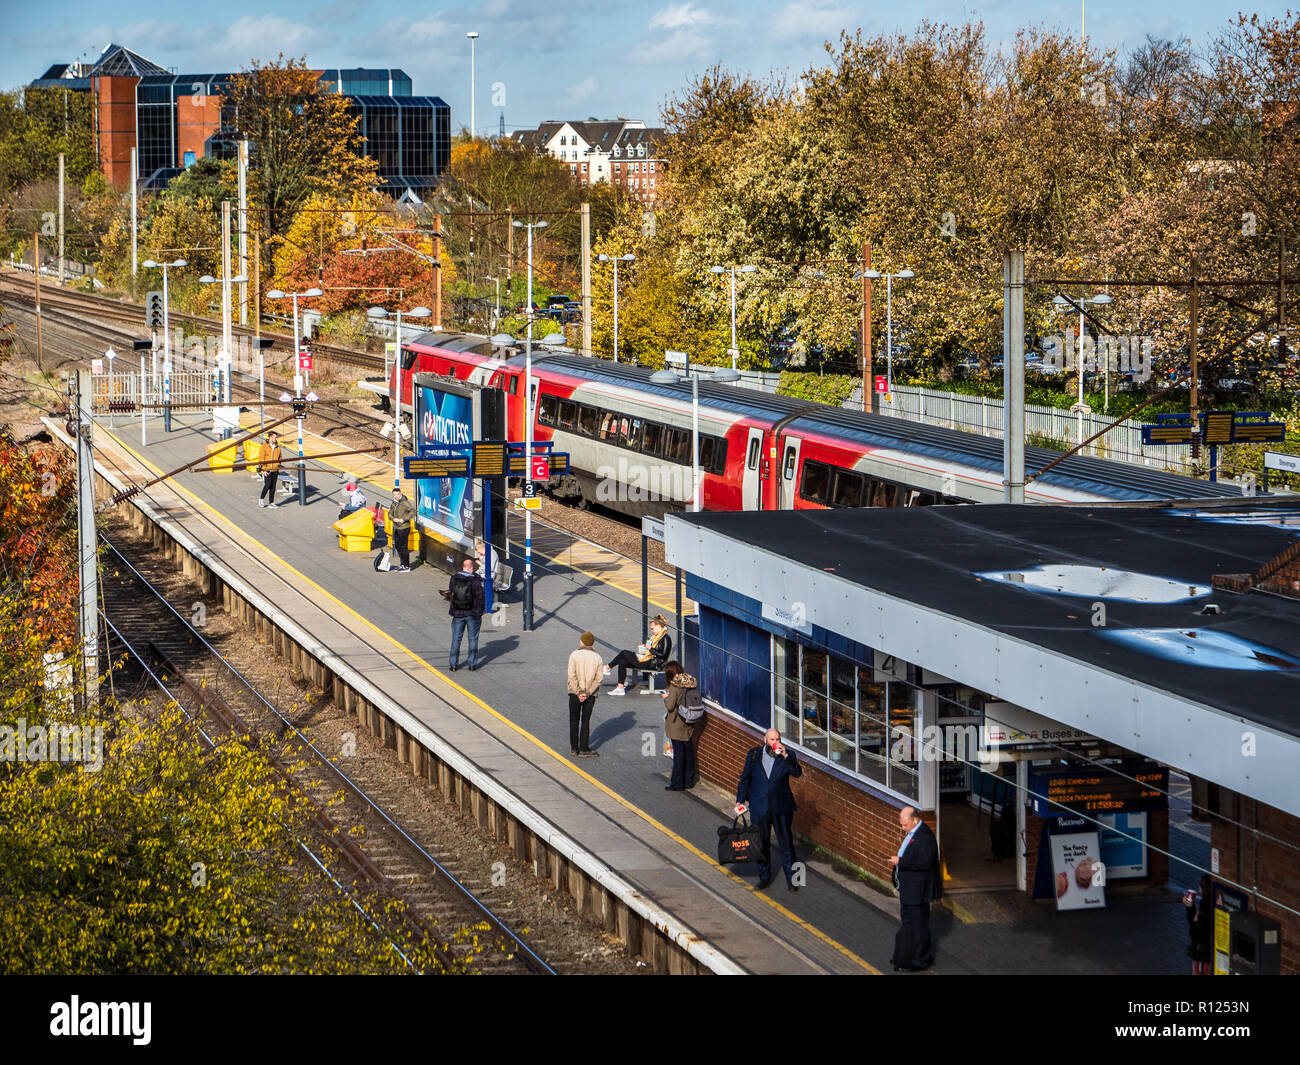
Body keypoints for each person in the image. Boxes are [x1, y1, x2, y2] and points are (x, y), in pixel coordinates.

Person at [734, 728, 803, 892]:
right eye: (772, 739)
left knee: (786, 844)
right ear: (764, 739)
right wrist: (739, 800)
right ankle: (764, 878)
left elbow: (797, 773)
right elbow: (745, 779)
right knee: (761, 844)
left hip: (781, 807)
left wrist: (786, 757)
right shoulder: (753, 755)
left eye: (778, 739)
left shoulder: (788, 755)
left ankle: (793, 880)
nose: (775, 742)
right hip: (759, 807)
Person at [889, 805, 940, 971]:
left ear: (915, 819)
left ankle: (920, 960)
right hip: (909, 890)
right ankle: (907, 955)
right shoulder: (914, 833)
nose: (902, 828)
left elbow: (925, 863)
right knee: (910, 924)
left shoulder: (924, 837)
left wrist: (900, 862)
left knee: (918, 926)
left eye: (905, 825)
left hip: (917, 892)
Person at [605, 614, 670, 695]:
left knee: (624, 653)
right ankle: (620, 688)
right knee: (622, 661)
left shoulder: (666, 638)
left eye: (652, 629)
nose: (652, 631)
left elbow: (663, 655)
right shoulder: (656, 637)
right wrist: (645, 647)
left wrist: (650, 649)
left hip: (654, 664)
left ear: (659, 626)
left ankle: (608, 667)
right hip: (649, 660)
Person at [661, 661, 699, 791]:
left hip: (677, 724)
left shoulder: (674, 687)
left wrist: (665, 697)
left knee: (679, 755)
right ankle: (689, 781)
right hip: (689, 722)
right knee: (688, 753)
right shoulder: (690, 683)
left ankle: (677, 783)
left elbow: (670, 706)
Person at [566, 631, 603, 757]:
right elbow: (598, 679)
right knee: (585, 721)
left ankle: (574, 748)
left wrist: (578, 692)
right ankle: (584, 748)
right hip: (590, 695)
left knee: (574, 720)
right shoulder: (598, 658)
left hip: (574, 694)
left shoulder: (574, 655)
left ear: (582, 642)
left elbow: (571, 675)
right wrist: (587, 693)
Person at [446, 558, 485, 671]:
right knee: (473, 639)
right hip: (473, 615)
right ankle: (472, 665)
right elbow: (480, 597)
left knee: (456, 639)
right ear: (471, 568)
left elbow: (451, 593)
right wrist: (480, 611)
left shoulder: (454, 578)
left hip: (458, 614)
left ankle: (453, 664)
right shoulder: (475, 580)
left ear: (463, 567)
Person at [1184, 873, 1214, 975]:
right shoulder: (1204, 904)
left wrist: (1195, 921)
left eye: (1200, 885)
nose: (1198, 888)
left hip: (1203, 954)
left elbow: (1196, 932)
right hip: (1201, 953)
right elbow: (1193, 922)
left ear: (1203, 888)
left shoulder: (1208, 908)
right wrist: (1190, 907)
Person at [388, 487, 416, 572]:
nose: (396, 496)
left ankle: (407, 566)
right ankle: (402, 564)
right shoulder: (394, 502)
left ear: (400, 493)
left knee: (404, 547)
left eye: (397, 494)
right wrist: (393, 518)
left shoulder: (405, 502)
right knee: (397, 545)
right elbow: (390, 513)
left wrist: (403, 519)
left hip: (404, 527)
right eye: (394, 495)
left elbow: (413, 512)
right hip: (397, 527)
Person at [257, 432, 282, 508]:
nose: (276, 439)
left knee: (273, 487)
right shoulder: (264, 447)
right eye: (275, 437)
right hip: (267, 469)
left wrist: (277, 464)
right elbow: (261, 459)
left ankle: (271, 502)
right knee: (268, 485)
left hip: (275, 469)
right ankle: (261, 499)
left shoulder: (278, 447)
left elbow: (280, 457)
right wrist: (263, 470)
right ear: (270, 438)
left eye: (276, 437)